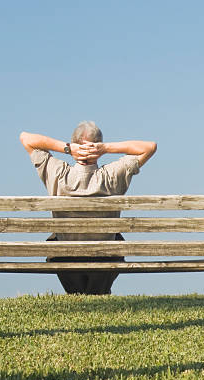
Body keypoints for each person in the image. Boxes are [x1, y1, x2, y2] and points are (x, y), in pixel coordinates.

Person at [19, 121, 157, 294]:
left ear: (74, 144)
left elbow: (25, 138)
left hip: (66, 257)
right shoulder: (112, 175)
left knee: (56, 240)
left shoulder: (58, 173)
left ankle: (77, 295)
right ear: (97, 148)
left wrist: (68, 148)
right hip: (105, 257)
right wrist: (106, 148)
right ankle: (98, 293)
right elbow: (149, 147)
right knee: (116, 239)